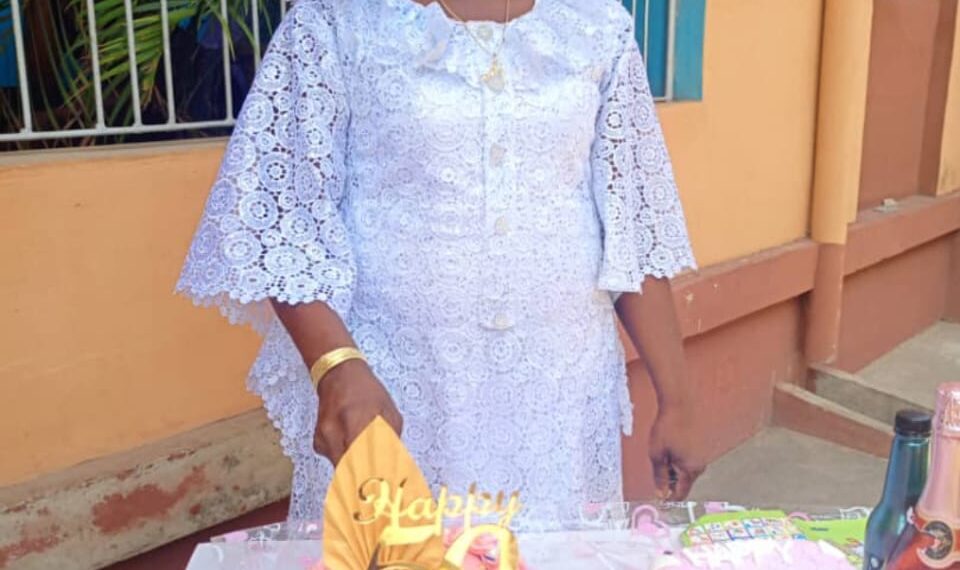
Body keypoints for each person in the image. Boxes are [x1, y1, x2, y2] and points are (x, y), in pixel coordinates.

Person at [177, 0, 703, 524]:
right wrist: (335, 365)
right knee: (403, 548)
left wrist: (677, 399)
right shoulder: (336, 22)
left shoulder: (596, 25)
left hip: (560, 396)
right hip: (394, 389)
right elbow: (281, 216)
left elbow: (634, 228)